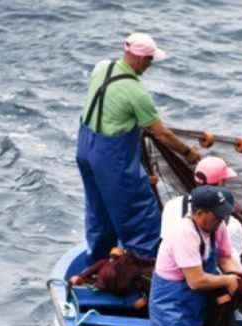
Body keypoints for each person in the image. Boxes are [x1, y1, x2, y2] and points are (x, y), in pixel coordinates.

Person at [76, 32, 201, 262]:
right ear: (143, 59)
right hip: (109, 156)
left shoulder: (102, 67)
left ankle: (97, 264)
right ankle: (149, 266)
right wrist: (188, 152)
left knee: (99, 211)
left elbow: (111, 106)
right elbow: (161, 133)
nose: (150, 65)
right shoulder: (137, 92)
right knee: (137, 210)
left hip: (84, 148)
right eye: (151, 60)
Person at [149, 185, 242, 326]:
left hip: (200, 302)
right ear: (199, 212)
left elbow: (225, 258)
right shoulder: (185, 233)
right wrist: (228, 280)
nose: (222, 221)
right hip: (172, 306)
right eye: (218, 215)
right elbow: (195, 280)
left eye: (224, 216)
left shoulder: (216, 226)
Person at [160, 156, 242, 273]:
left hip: (171, 269)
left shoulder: (171, 205)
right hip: (208, 278)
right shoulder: (228, 223)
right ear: (221, 182)